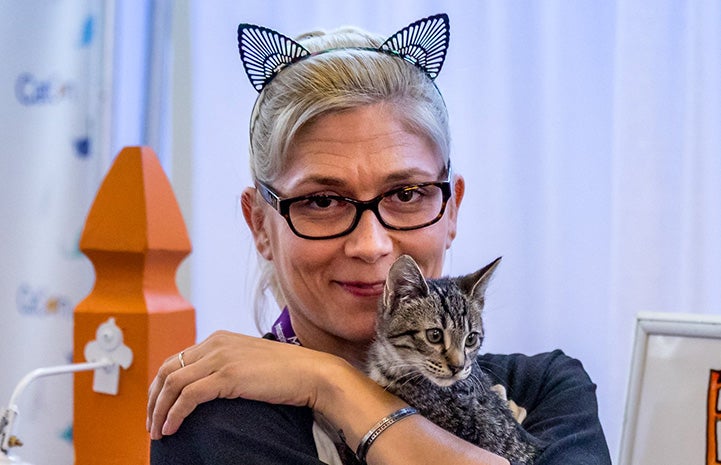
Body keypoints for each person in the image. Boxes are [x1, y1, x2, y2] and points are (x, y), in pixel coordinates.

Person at [147, 14, 612, 465]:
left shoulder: (545, 389)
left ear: (451, 211)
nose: (371, 245)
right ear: (260, 226)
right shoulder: (220, 421)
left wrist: (332, 384)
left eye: (406, 193)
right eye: (324, 201)